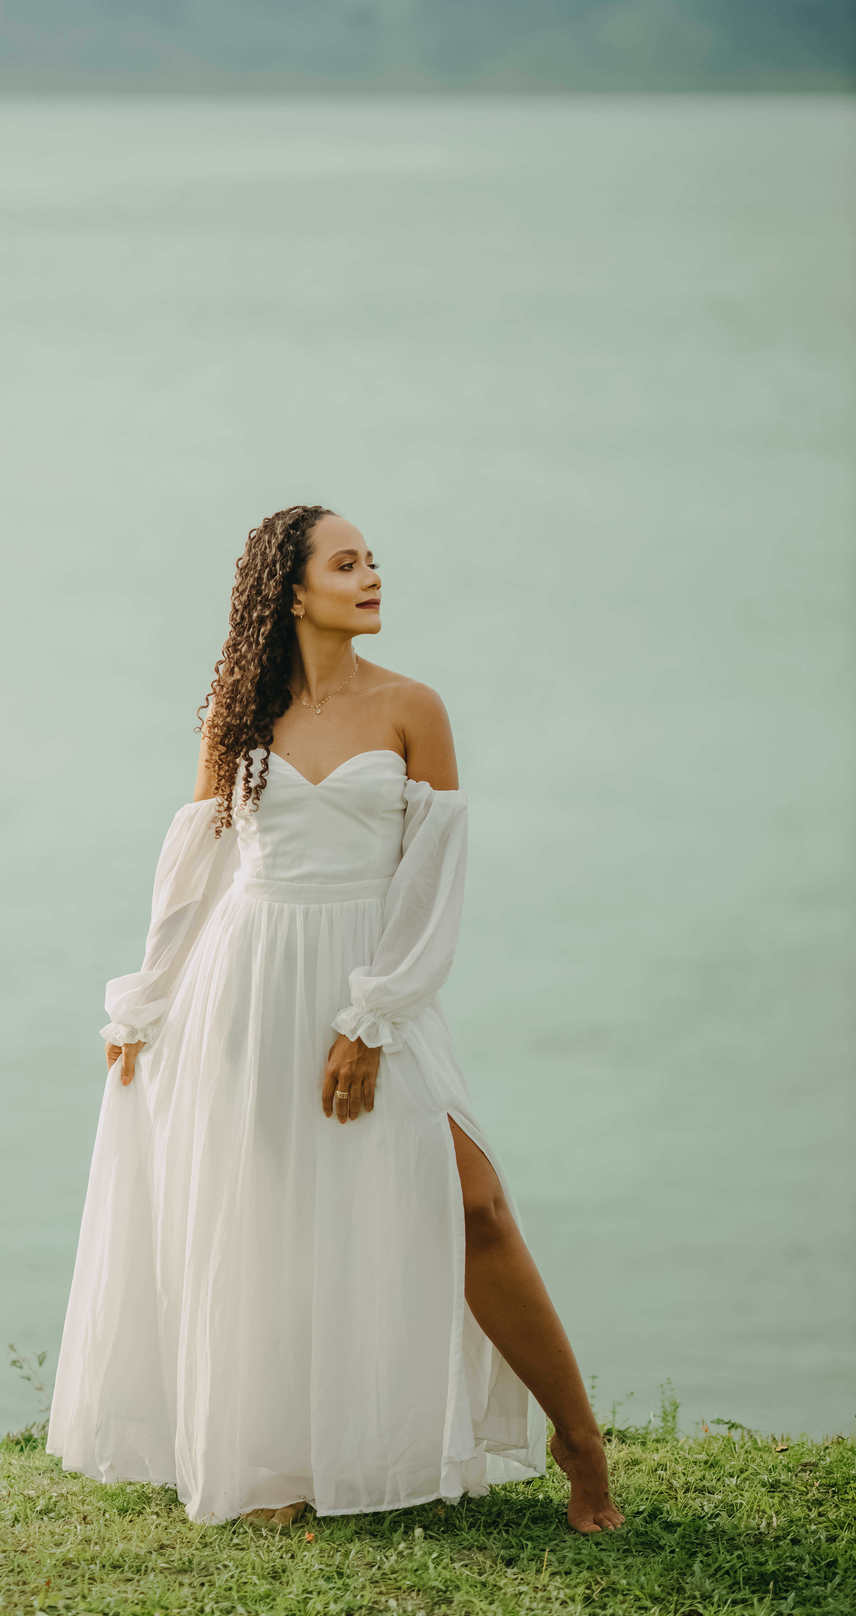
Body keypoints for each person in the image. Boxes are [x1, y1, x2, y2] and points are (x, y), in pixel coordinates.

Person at [46, 503, 624, 1535]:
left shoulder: (413, 708)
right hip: (246, 988)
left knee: (474, 1205)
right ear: (292, 589)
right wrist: (145, 1000)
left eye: (373, 561)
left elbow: (431, 884)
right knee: (264, 1223)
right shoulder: (240, 717)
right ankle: (275, 1466)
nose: (372, 577)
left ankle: (583, 1451)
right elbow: (197, 871)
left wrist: (374, 1019)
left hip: (370, 986)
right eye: (347, 563)